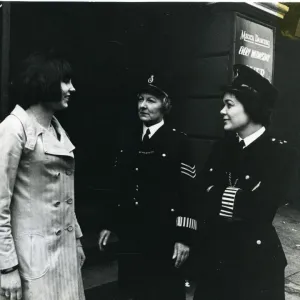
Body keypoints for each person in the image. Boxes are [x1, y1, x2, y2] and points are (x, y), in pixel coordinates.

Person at [193, 64, 299, 300]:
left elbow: (260, 208)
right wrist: (234, 196)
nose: (222, 111)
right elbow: (199, 194)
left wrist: (216, 193)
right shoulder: (222, 147)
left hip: (256, 265)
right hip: (216, 259)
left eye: (229, 105)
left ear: (252, 107)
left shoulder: (281, 154)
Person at [99, 74, 198, 300]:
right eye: (141, 99)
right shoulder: (129, 139)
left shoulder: (180, 143)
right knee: (131, 291)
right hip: (131, 235)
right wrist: (108, 222)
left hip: (163, 238)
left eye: (151, 100)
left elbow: (188, 193)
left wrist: (184, 238)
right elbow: (119, 185)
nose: (143, 105)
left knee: (162, 293)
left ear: (165, 105)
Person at [0, 52, 85, 300]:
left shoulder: (56, 128)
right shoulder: (14, 128)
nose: (72, 88)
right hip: (32, 260)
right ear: (44, 82)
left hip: (63, 256)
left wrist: (77, 240)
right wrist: (7, 268)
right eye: (65, 81)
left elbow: (64, 192)